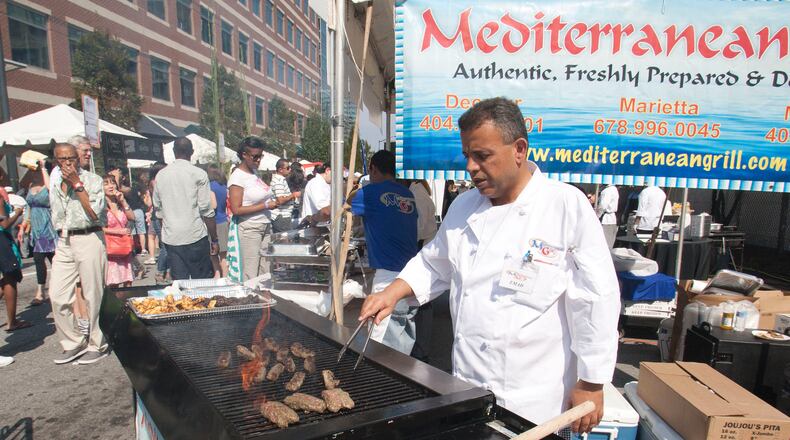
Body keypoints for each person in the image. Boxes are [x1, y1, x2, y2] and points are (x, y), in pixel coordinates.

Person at [359, 98, 620, 432]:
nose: (470, 166)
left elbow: (596, 298)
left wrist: (592, 381)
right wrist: (391, 293)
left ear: (519, 149)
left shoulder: (565, 206)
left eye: (482, 156)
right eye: (467, 155)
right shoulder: (465, 206)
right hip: (468, 386)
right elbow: (435, 262)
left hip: (534, 401)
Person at [349, 151, 419, 354]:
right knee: (403, 335)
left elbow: (339, 208)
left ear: (373, 168)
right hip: (412, 273)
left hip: (389, 276)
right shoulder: (407, 194)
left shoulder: (369, 192)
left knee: (382, 344)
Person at [49, 142, 108, 365]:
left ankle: (97, 342)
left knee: (94, 294)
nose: (67, 163)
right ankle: (73, 342)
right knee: (57, 295)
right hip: (64, 239)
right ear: (56, 161)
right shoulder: (55, 181)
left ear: (77, 158)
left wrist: (77, 184)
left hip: (89, 236)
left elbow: (94, 212)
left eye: (70, 158)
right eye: (62, 159)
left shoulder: (92, 180)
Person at [153, 137, 217, 280]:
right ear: (192, 152)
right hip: (195, 236)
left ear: (174, 151)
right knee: (201, 283)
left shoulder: (161, 175)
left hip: (172, 238)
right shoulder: (198, 174)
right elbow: (206, 209)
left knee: (179, 284)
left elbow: (159, 211)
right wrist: (214, 239)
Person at [226, 137, 278, 281]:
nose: (258, 160)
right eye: (255, 157)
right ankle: (250, 300)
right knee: (250, 272)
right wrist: (266, 206)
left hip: (265, 225)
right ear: (244, 155)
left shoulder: (254, 173)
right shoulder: (237, 177)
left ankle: (264, 301)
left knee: (265, 270)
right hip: (250, 229)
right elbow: (236, 210)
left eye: (260, 156)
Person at [406, 178, 437, 363]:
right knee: (423, 301)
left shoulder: (417, 195)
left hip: (423, 249)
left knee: (423, 301)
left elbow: (419, 229)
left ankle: (421, 349)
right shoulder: (419, 193)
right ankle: (420, 347)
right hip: (423, 249)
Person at [18, 160, 57, 305]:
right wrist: (23, 226)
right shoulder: (30, 186)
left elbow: (52, 193)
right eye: (31, 170)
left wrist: (43, 168)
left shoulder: (48, 185)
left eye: (35, 170)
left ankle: (57, 289)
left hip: (49, 226)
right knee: (39, 260)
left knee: (55, 261)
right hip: (36, 228)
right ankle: (40, 291)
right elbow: (28, 208)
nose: (32, 173)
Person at [0, 185, 31, 333]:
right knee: (10, 277)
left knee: (7, 278)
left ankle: (12, 321)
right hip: (1, 240)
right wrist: (17, 212)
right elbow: (4, 224)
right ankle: (12, 322)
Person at [102, 174, 135, 288]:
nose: (110, 186)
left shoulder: (119, 204)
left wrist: (123, 201)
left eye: (112, 183)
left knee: (128, 282)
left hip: (124, 249)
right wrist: (118, 232)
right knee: (113, 283)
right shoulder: (101, 206)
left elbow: (132, 217)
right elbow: (99, 228)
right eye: (106, 184)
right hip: (111, 250)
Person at [148, 163, 169, 283]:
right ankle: (160, 271)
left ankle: (167, 271)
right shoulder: (155, 182)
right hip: (158, 217)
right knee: (165, 245)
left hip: (164, 216)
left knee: (168, 245)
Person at [207, 164, 229, 278]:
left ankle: (217, 274)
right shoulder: (224, 186)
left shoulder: (209, 186)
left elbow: (213, 204)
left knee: (214, 253)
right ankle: (225, 276)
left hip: (213, 222)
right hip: (224, 220)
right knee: (223, 254)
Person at [270, 159, 301, 233]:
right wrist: (293, 195)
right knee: (286, 241)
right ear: (280, 169)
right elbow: (280, 200)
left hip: (282, 216)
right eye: (288, 168)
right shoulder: (279, 181)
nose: (290, 169)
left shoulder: (280, 180)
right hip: (282, 216)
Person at [597, 184, 619, 248]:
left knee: (605, 243)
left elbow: (602, 206)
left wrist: (597, 216)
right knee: (609, 242)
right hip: (611, 218)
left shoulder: (607, 191)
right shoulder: (614, 189)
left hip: (606, 219)